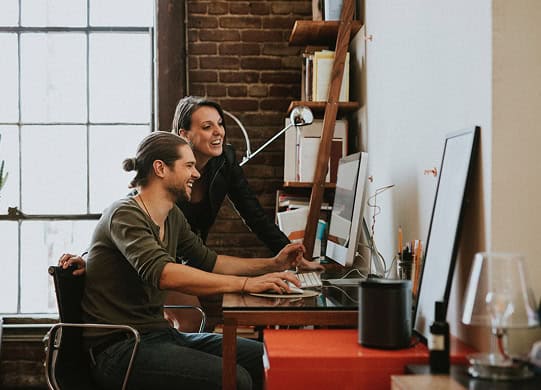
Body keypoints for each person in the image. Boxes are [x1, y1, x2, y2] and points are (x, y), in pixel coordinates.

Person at [74, 131, 304, 389]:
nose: (196, 174)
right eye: (189, 166)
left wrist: (273, 264)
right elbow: (164, 273)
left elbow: (210, 261)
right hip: (118, 350)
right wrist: (245, 284)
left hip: (159, 336)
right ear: (160, 168)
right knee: (236, 378)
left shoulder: (172, 216)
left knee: (266, 357)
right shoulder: (125, 214)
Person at [171, 96, 323, 271]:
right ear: (184, 134)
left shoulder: (225, 160)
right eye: (207, 127)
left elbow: (254, 214)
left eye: (220, 124)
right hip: (163, 262)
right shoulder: (168, 169)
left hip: (196, 259)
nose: (219, 132)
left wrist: (294, 258)